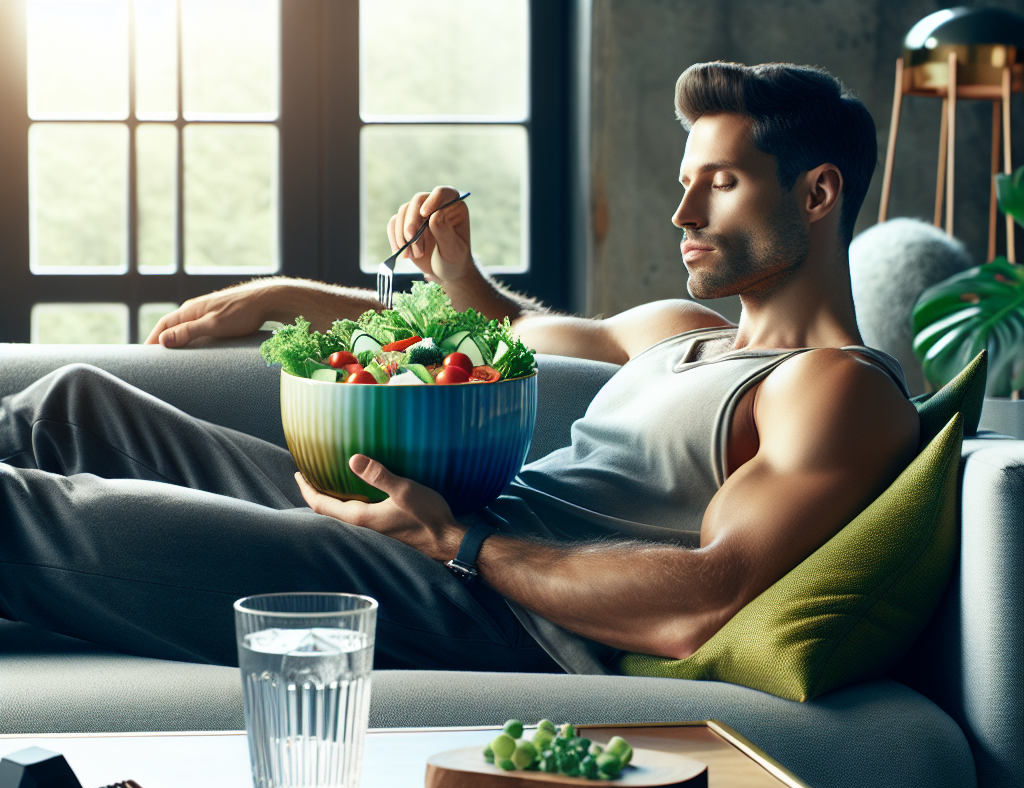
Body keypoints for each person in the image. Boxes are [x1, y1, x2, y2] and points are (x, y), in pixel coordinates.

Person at [0, 62, 918, 673]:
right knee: (71, 408)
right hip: (436, 523)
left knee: (26, 517)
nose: (682, 213)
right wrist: (293, 296)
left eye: (718, 182)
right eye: (685, 181)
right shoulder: (677, 329)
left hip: (485, 599)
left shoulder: (835, 388)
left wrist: (459, 545)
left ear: (818, 191)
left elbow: (706, 602)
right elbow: (507, 330)